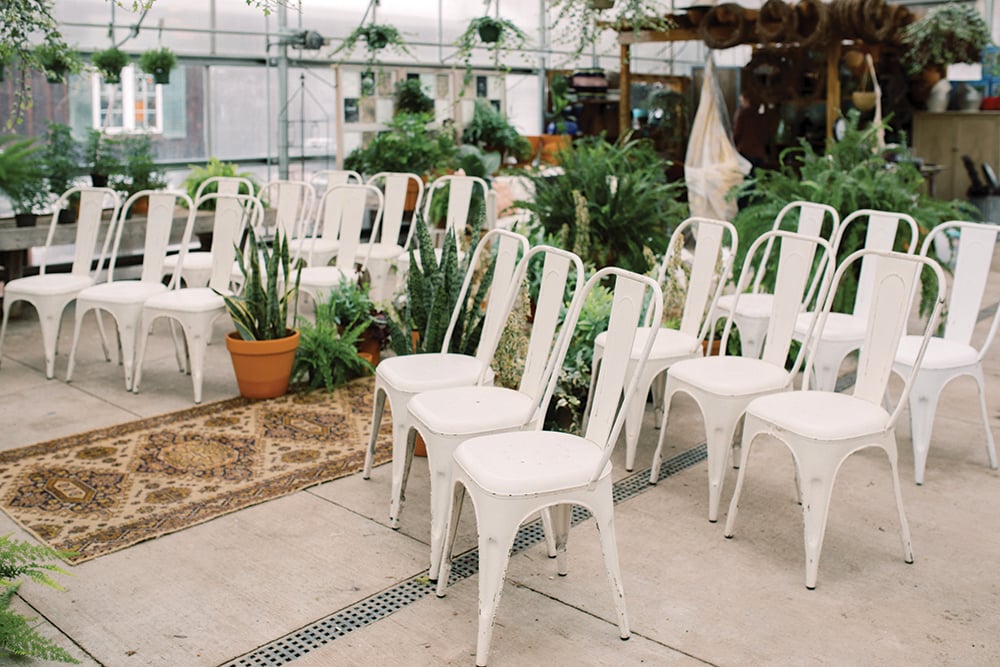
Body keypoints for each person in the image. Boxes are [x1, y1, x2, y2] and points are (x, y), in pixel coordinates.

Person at [733, 93, 769, 170]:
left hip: (745, 151)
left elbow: (737, 132)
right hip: (759, 152)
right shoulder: (760, 115)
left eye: (742, 100)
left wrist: (733, 145)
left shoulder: (742, 114)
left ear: (746, 100)